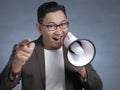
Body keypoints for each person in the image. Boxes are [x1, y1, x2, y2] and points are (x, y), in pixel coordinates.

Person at [0, 1, 103, 90]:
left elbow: (97, 87)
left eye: (63, 24)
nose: (59, 32)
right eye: (51, 26)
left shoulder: (77, 49)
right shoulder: (25, 51)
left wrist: (82, 70)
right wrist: (16, 65)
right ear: (40, 28)